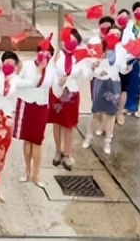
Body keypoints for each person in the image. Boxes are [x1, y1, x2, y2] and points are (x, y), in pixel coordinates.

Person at [0, 51, 37, 204]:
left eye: (12, 63)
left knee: (1, 152)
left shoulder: (16, 80)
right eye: (6, 62)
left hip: (5, 119)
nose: (8, 65)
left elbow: (33, 81)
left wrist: (23, 65)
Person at [13, 45, 56, 188]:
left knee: (37, 141)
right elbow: (16, 82)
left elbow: (55, 88)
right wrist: (36, 75)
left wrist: (62, 81)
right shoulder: (27, 65)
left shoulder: (51, 69)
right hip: (26, 104)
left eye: (48, 53)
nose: (44, 56)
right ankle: (27, 170)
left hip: (41, 106)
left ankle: (36, 174)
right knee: (27, 140)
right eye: (42, 52)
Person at [49, 28, 89, 171]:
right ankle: (57, 151)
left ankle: (67, 153)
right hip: (57, 91)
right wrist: (58, 80)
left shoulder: (79, 57)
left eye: (73, 41)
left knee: (68, 124)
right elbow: (51, 69)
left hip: (71, 92)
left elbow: (85, 75)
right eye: (67, 40)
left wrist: (91, 64)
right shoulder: (58, 54)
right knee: (57, 123)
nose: (69, 43)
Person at [83, 30, 125, 154]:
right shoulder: (98, 49)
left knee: (111, 113)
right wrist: (96, 69)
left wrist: (127, 68)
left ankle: (108, 140)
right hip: (100, 82)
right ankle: (88, 136)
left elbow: (122, 70)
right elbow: (90, 67)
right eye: (112, 34)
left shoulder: (121, 52)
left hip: (114, 83)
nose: (114, 37)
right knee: (95, 112)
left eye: (117, 34)